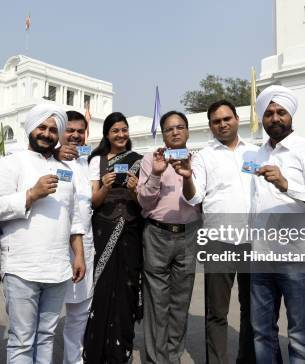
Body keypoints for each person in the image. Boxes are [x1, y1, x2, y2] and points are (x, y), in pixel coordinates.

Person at [0, 104, 85, 364]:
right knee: (21, 338)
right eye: (42, 127)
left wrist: (78, 255)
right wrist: (31, 194)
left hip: (57, 267)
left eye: (53, 130)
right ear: (31, 129)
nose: (47, 133)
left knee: (46, 335)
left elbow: (73, 216)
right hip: (22, 268)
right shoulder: (11, 163)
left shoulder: (66, 169)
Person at [250, 85, 305, 364]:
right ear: (262, 118)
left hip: (298, 256)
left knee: (299, 335)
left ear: (291, 116)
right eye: (269, 113)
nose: (275, 118)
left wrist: (287, 185)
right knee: (262, 332)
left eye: (281, 112)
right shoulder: (256, 155)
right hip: (261, 256)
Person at [173, 100, 258, 364]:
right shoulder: (203, 156)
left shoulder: (255, 152)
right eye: (216, 121)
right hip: (218, 242)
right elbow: (194, 196)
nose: (222, 124)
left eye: (227, 119)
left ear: (237, 119)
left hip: (253, 243)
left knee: (252, 310)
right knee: (217, 312)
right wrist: (187, 177)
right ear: (210, 126)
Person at [137, 111, 201, 364]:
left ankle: (172, 356)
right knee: (156, 302)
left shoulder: (199, 160)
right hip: (156, 234)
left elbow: (202, 199)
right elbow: (143, 200)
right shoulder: (150, 160)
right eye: (169, 129)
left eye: (180, 127)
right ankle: (155, 358)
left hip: (188, 234)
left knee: (180, 301)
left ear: (187, 131)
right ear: (162, 134)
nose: (175, 132)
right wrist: (155, 173)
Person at [82, 112, 143, 363]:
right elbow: (93, 202)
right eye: (115, 130)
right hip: (103, 229)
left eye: (124, 130)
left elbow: (144, 205)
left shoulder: (140, 161)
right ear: (107, 134)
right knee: (102, 288)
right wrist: (106, 187)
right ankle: (96, 351)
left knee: (127, 289)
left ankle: (122, 350)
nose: (120, 134)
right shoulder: (96, 161)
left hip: (130, 230)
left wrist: (134, 190)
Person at [56, 110, 95, 364]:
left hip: (84, 245)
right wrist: (53, 154)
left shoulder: (86, 161)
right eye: (70, 130)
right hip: (54, 244)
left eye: (80, 131)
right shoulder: (45, 157)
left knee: (79, 311)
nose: (76, 135)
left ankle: (74, 360)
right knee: (45, 314)